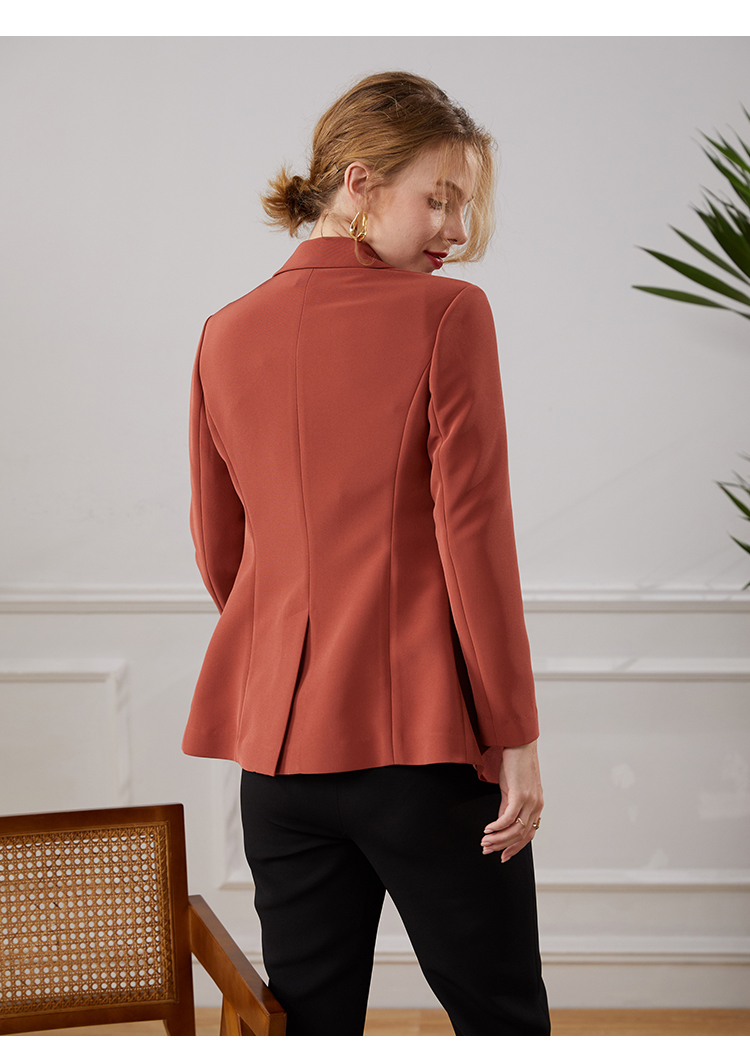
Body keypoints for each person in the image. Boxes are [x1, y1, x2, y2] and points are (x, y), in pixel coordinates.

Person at [183, 71, 550, 1037]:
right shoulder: (448, 315)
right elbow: (475, 542)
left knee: (311, 1029)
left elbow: (222, 553)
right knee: (504, 1020)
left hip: (279, 769)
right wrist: (515, 735)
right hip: (421, 750)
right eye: (440, 199)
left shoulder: (223, 333)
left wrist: (290, 660)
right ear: (360, 182)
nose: (456, 230)